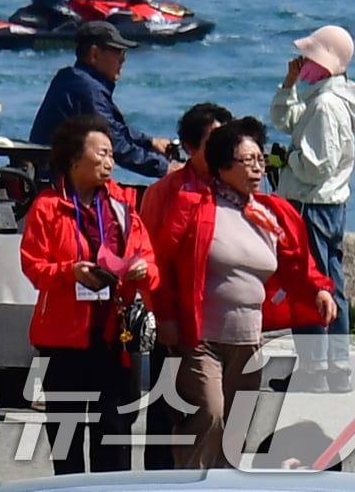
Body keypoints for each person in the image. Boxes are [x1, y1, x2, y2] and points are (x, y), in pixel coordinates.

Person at [152, 116, 336, 469]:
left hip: (249, 339)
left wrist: (319, 290)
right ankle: (188, 484)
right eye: (247, 160)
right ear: (223, 167)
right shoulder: (193, 206)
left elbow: (297, 264)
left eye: (260, 159)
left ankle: (224, 485)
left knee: (236, 427)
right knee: (209, 414)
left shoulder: (271, 212)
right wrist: (166, 317)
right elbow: (163, 262)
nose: (257, 167)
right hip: (200, 337)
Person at [20, 114, 158, 475]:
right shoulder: (48, 206)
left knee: (114, 429)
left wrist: (143, 270)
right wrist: (70, 272)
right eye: (102, 154)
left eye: (112, 154)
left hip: (114, 333)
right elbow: (34, 267)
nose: (110, 162)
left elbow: (147, 257)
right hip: (63, 338)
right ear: (74, 159)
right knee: (66, 434)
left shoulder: (121, 204)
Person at [269, 24, 355, 391]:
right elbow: (286, 120)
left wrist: (286, 159)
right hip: (328, 205)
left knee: (311, 285)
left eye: (308, 57)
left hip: (312, 205)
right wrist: (289, 85)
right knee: (330, 284)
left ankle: (315, 370)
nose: (302, 61)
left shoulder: (326, 105)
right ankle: (335, 367)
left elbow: (316, 165)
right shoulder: (326, 97)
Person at [139, 101, 233, 469]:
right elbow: (152, 260)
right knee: (170, 412)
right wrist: (163, 316)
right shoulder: (167, 192)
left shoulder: (236, 189)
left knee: (225, 415)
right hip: (178, 322)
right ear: (191, 146)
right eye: (214, 141)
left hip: (226, 325)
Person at [29, 20, 176, 178]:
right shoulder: (87, 89)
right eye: (118, 52)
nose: (123, 60)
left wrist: (150, 142)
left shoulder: (75, 79)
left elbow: (115, 127)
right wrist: (166, 169)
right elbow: (115, 143)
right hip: (57, 182)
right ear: (94, 54)